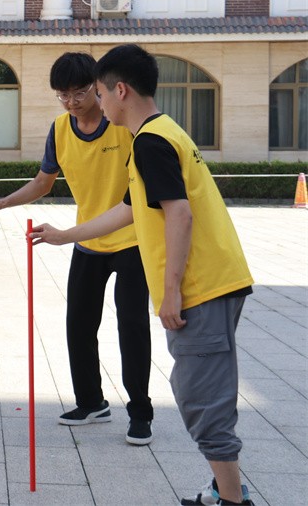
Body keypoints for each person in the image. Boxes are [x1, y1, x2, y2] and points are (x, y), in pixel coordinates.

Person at [30, 44, 255, 506]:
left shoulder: (149, 142)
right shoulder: (159, 132)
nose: (93, 103)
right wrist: (65, 236)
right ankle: (226, 491)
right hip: (218, 280)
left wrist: (170, 291)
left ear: (120, 91)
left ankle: (233, 500)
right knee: (201, 393)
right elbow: (128, 210)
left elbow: (180, 214)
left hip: (203, 286)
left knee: (201, 397)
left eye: (96, 93)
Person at [0, 52, 153, 445]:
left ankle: (141, 413)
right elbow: (43, 182)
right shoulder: (59, 130)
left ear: (97, 87)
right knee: (79, 325)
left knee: (132, 326)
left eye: (79, 93)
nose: (71, 102)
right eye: (62, 95)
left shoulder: (122, 125)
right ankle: (91, 402)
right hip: (88, 239)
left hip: (132, 239)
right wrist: (1, 203)